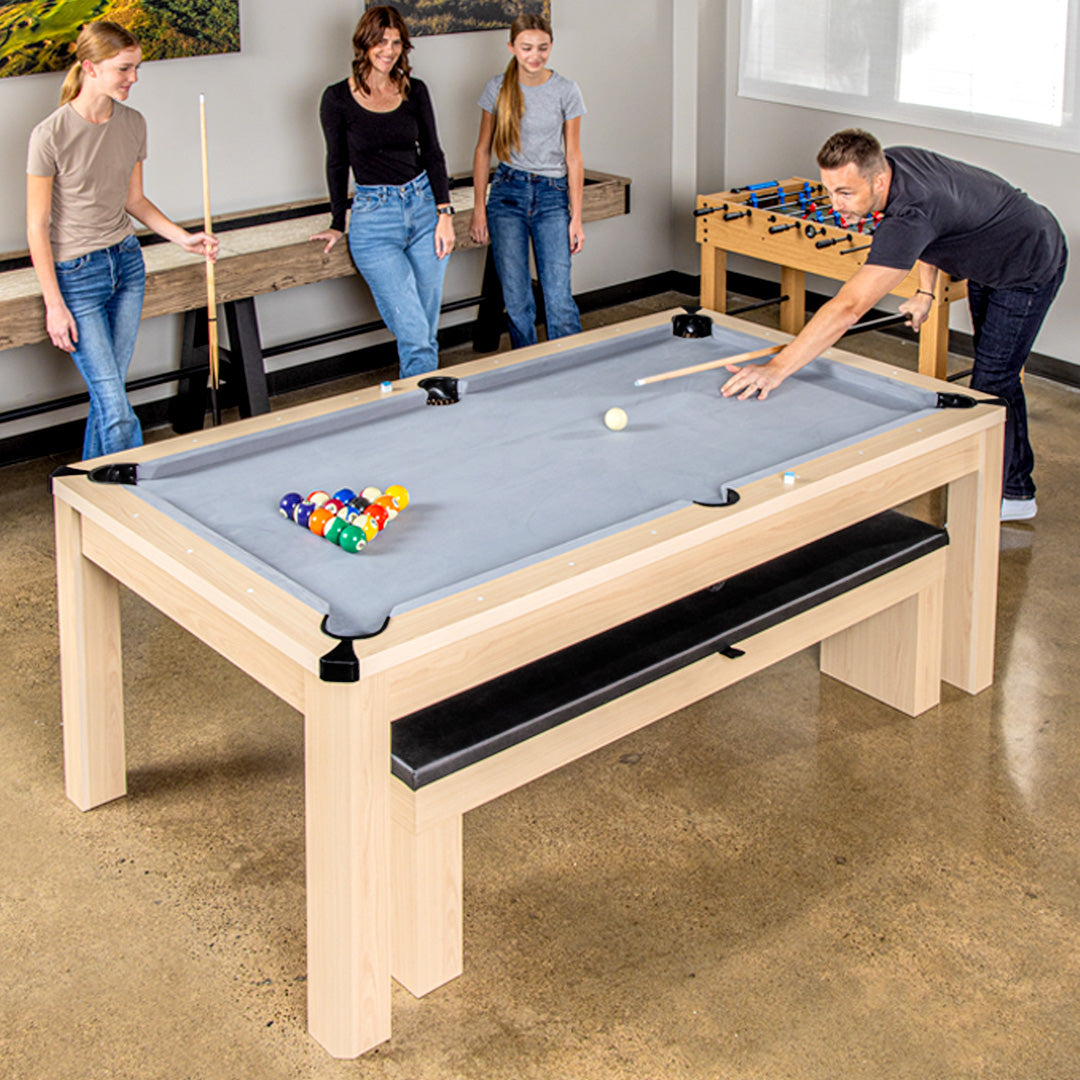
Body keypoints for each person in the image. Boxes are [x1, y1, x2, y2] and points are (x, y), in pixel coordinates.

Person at [721, 129, 1067, 523]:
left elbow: (849, 307)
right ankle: (1017, 485)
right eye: (830, 191)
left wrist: (778, 368)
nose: (836, 206)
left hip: (1029, 262)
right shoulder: (894, 164)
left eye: (846, 193)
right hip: (988, 258)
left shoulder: (911, 212)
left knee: (991, 384)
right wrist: (925, 293)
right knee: (1000, 378)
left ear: (879, 181)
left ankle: (1000, 501)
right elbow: (939, 228)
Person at [26, 21, 218, 460]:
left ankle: (94, 490)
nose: (134, 78)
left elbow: (134, 200)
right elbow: (36, 225)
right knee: (114, 406)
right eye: (124, 69)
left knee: (107, 394)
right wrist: (54, 304)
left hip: (127, 267)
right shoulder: (49, 135)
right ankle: (134, 501)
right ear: (90, 68)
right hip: (77, 278)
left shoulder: (133, 123)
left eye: (136, 68)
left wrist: (181, 238)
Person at [311, 5, 455, 380]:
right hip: (374, 220)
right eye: (380, 41)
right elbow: (337, 163)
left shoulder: (415, 91)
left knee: (425, 324)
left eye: (395, 43)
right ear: (364, 43)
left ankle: (421, 402)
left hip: (425, 210)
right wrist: (336, 222)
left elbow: (434, 153)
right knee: (413, 326)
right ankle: (427, 401)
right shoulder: (336, 99)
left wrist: (445, 215)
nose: (388, 50)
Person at [469, 13, 585, 348]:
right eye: (526, 48)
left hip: (552, 197)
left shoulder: (566, 90)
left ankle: (570, 369)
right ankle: (529, 371)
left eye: (542, 48)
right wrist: (479, 210)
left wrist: (576, 218)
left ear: (551, 47)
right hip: (507, 196)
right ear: (512, 47)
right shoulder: (497, 88)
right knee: (517, 300)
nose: (535, 56)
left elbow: (574, 156)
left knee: (558, 298)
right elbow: (482, 151)